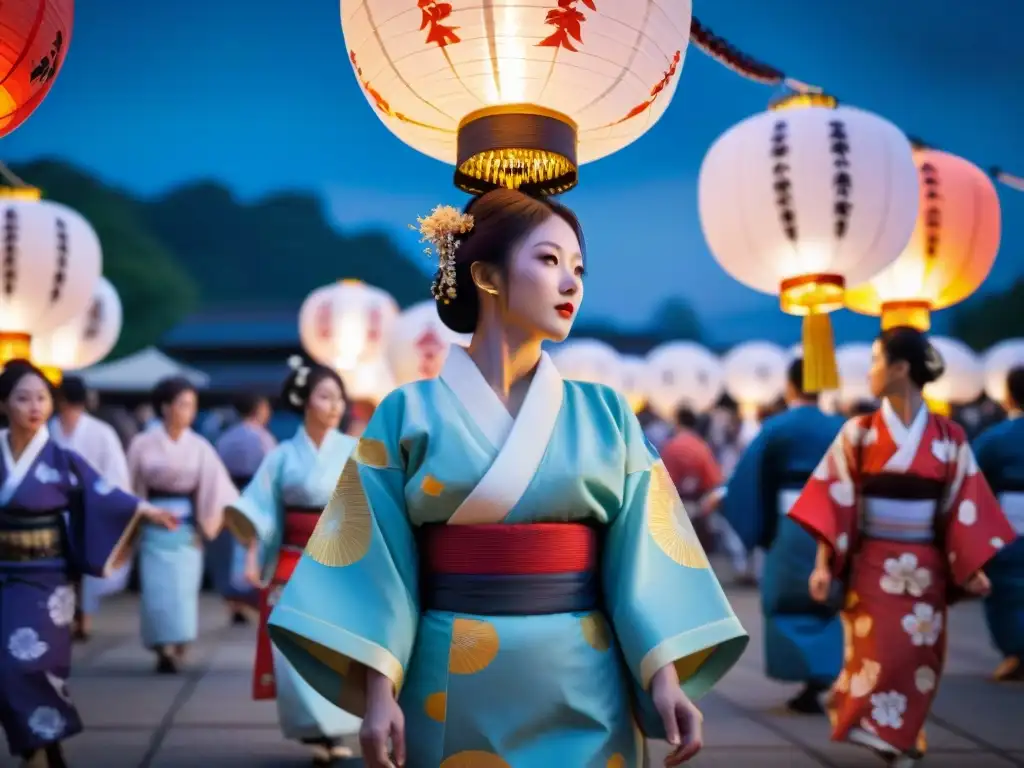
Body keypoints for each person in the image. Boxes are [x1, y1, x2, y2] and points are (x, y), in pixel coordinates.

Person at [266, 189, 748, 768]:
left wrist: (664, 676)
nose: (572, 283)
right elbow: (374, 564)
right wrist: (377, 694)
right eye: (549, 261)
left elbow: (645, 556)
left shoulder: (607, 413)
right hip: (448, 679)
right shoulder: (407, 413)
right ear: (487, 276)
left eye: (579, 268)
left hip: (586, 676)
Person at [788, 327, 1015, 767]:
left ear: (900, 368)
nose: (871, 372)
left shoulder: (949, 437)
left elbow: (962, 505)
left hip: (924, 565)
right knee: (880, 653)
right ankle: (885, 731)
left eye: (877, 361)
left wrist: (971, 564)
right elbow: (832, 498)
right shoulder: (858, 433)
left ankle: (902, 734)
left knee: (918, 656)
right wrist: (822, 564)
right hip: (872, 564)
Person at [0, 361, 176, 768]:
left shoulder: (61, 458)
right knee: (4, 670)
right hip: (3, 575)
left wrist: (145, 510)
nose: (34, 406)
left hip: (46, 579)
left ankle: (39, 747)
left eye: (42, 398)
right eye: (23, 398)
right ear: (4, 404)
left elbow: (105, 493)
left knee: (30, 663)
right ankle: (43, 742)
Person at [225, 359, 360, 765]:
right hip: (292, 558)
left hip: (339, 559)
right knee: (293, 645)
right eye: (325, 396)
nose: (334, 405)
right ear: (304, 401)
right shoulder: (283, 455)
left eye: (339, 397)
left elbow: (370, 506)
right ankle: (313, 727)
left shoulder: (354, 451)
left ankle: (334, 726)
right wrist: (248, 537)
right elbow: (259, 504)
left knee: (336, 643)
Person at [720, 358, 844, 714]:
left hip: (791, 519)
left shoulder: (778, 427)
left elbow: (750, 475)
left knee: (786, 597)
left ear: (790, 386)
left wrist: (748, 516)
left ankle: (809, 677)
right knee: (829, 596)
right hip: (834, 518)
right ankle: (826, 672)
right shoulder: (843, 426)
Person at [127, 376, 236, 674]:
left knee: (183, 591)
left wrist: (206, 526)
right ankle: (162, 648)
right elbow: (130, 487)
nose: (188, 411)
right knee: (157, 591)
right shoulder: (142, 443)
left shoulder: (200, 446)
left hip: (186, 528)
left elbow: (216, 488)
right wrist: (142, 515)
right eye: (183, 404)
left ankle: (178, 645)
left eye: (192, 406)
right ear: (165, 407)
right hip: (153, 525)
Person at [50, 376, 134, 642]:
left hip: (89, 505)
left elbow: (114, 474)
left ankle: (83, 618)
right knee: (61, 566)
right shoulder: (48, 429)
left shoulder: (100, 432)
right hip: (55, 506)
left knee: (84, 565)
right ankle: (65, 616)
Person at [974, 365, 1024, 681]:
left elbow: (974, 482)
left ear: (1007, 397)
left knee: (1006, 589)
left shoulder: (994, 439)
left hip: (1008, 520)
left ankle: (1016, 651)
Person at [211, 394, 276, 625]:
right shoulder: (263, 438)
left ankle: (234, 604)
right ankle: (249, 598)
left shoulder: (226, 437)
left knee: (231, 550)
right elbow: (272, 472)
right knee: (252, 548)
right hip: (255, 496)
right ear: (259, 408)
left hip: (230, 495)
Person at [661, 406, 722, 551]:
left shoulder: (670, 446)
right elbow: (714, 480)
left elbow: (662, 482)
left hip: (675, 510)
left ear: (677, 421)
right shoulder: (701, 446)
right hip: (698, 508)